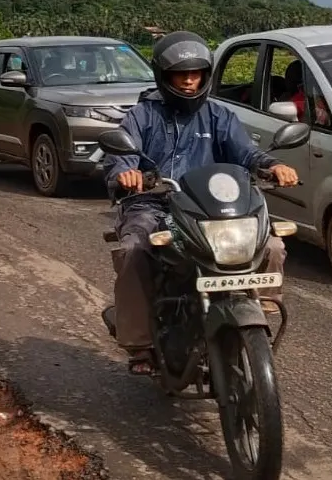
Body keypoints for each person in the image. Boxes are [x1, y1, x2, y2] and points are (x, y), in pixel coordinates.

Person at [104, 31, 299, 376]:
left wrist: (271, 165)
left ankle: (260, 305)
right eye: (181, 74)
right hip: (153, 205)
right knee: (135, 250)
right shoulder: (142, 116)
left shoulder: (219, 116)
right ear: (164, 76)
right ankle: (139, 343)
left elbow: (246, 153)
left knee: (269, 243)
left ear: (205, 75)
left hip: (207, 209)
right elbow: (122, 156)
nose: (189, 81)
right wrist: (126, 174)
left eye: (195, 73)